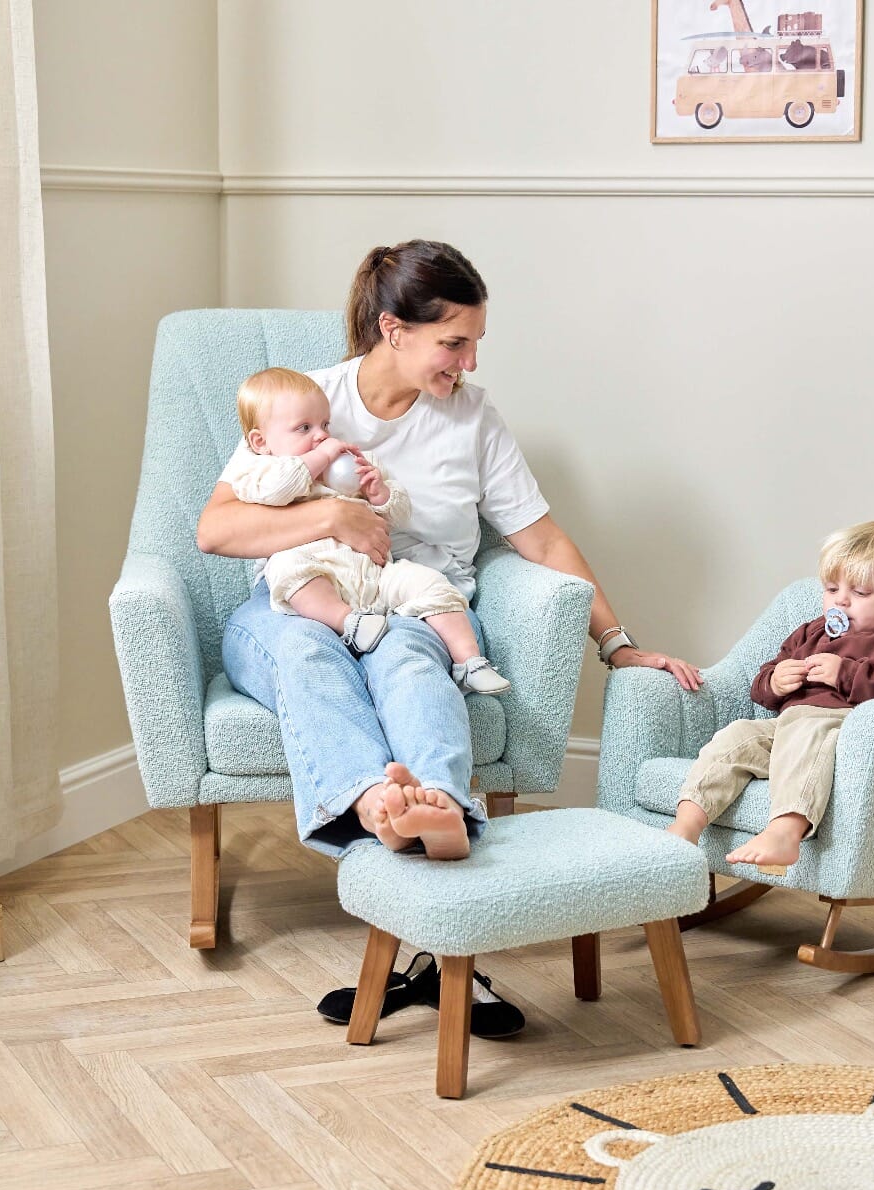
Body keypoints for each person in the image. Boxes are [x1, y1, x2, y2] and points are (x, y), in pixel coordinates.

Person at [196, 238, 702, 1032]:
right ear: (392, 330)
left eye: (473, 344)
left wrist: (618, 642)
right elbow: (216, 529)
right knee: (306, 655)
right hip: (295, 606)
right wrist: (331, 514)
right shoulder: (307, 403)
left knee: (411, 665)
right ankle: (377, 805)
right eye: (452, 342)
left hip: (407, 607)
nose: (465, 362)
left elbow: (541, 538)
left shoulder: (472, 417)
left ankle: (434, 817)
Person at [226, 366, 510, 696]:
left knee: (431, 584)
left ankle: (469, 663)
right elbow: (278, 489)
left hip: (373, 573)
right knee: (289, 572)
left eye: (325, 425)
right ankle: (346, 620)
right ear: (261, 441)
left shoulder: (352, 462)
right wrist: (319, 458)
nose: (321, 435)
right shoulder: (261, 469)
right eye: (304, 428)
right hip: (316, 571)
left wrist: (380, 493)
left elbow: (400, 514)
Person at [666, 521, 874, 869]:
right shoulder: (811, 633)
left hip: (839, 731)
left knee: (807, 726)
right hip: (785, 729)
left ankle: (785, 832)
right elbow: (763, 680)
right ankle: (686, 826)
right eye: (832, 588)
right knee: (737, 735)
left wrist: (846, 673)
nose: (841, 600)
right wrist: (775, 681)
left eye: (860, 593)